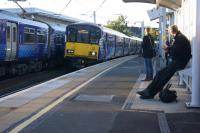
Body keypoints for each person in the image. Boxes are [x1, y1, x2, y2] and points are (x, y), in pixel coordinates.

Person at [137, 25, 191, 99]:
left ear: (171, 31)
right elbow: (176, 50)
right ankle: (149, 91)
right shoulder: (180, 37)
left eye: (169, 32)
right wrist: (169, 49)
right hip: (180, 61)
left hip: (180, 62)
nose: (169, 34)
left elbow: (175, 52)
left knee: (162, 75)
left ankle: (149, 93)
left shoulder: (180, 38)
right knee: (160, 74)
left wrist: (167, 49)